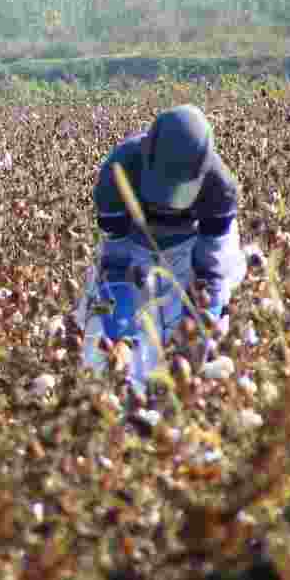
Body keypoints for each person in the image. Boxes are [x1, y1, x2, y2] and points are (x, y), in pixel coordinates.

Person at [74, 104, 247, 391]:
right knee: (103, 354)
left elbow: (210, 272)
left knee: (198, 354)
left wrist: (194, 337)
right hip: (134, 245)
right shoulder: (116, 175)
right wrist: (122, 337)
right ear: (147, 155)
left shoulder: (220, 190)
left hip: (189, 246)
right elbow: (116, 265)